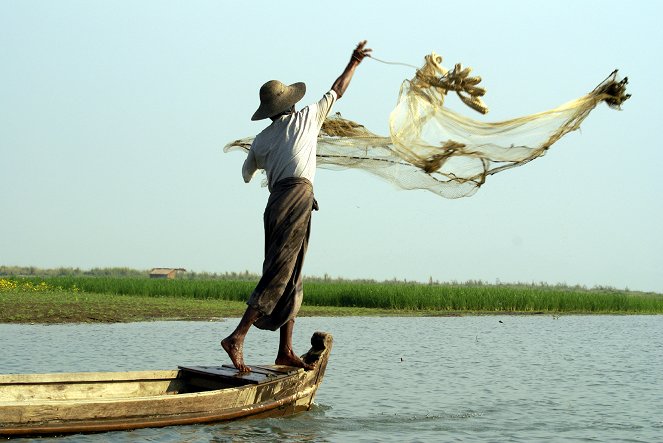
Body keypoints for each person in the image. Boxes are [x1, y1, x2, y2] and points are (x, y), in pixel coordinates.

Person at [222, 41, 372, 372]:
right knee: (279, 273)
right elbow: (337, 90)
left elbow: (247, 175)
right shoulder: (307, 118)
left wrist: (269, 159)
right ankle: (237, 337)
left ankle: (285, 350)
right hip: (295, 199)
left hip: (277, 202)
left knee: (292, 274)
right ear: (291, 103)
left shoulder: (261, 139)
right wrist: (354, 63)